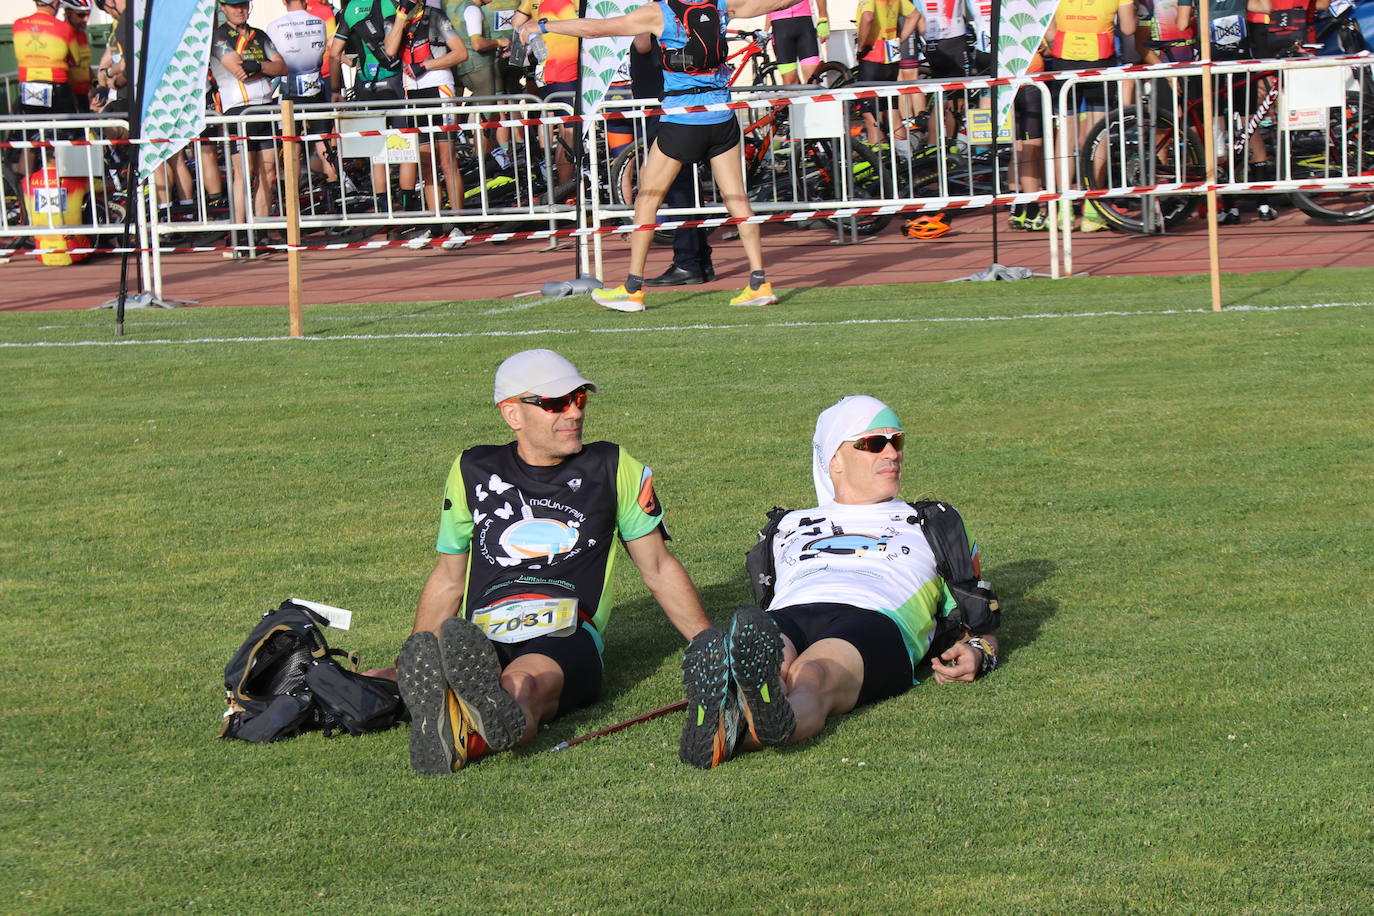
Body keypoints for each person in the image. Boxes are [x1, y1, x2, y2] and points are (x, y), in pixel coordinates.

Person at [394, 348, 714, 774]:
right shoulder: (473, 468)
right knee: (410, 676)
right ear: (512, 414)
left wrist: (710, 645)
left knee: (522, 684)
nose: (574, 413)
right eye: (555, 404)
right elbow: (449, 577)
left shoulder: (612, 466)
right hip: (479, 634)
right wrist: (420, 656)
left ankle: (463, 738)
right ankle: (445, 700)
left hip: (565, 630)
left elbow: (657, 567)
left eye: (579, 399)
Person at [678, 395, 1001, 769]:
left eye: (897, 441)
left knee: (812, 676)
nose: (891, 453)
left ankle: (734, 727)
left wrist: (981, 649)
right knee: (773, 661)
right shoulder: (787, 525)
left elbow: (976, 616)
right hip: (791, 612)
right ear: (834, 460)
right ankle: (742, 714)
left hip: (877, 617)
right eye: (872, 443)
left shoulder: (933, 521)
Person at [517, 0, 804, 312]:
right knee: (737, 199)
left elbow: (593, 28)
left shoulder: (659, 12)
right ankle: (758, 282)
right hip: (721, 116)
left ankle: (632, 288)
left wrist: (542, 25)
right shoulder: (720, 4)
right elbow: (772, 3)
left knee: (647, 199)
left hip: (681, 119)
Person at [209, 0, 287, 236]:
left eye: (243, 4)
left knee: (268, 172)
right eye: (234, 6)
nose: (240, 9)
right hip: (238, 111)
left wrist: (257, 65)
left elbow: (282, 67)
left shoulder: (260, 35)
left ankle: (260, 230)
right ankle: (241, 233)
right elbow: (239, 71)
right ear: (223, 8)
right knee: (243, 173)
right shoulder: (218, 37)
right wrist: (263, 66)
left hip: (266, 107)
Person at [768, 0, 829, 85]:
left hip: (804, 23)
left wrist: (823, 18)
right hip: (780, 27)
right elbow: (765, 5)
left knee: (812, 80)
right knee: (790, 82)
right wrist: (765, 30)